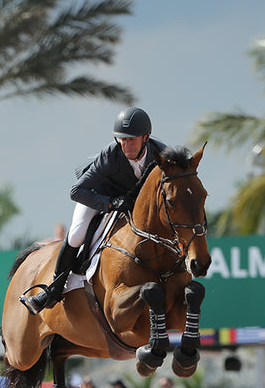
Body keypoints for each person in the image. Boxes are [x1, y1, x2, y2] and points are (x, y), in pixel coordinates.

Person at [20, 107, 168, 314]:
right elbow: (76, 191)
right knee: (77, 234)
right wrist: (111, 203)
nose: (126, 145)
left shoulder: (162, 155)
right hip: (97, 195)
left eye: (132, 140)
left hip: (132, 202)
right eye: (122, 140)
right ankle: (53, 289)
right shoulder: (111, 154)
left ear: (147, 137)